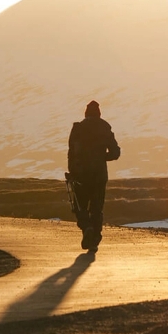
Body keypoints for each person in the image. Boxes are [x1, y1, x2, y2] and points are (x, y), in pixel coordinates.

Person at [67, 100, 121, 251]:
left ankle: (87, 228)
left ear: (85, 114)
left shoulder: (77, 128)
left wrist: (72, 171)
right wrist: (102, 158)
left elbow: (71, 153)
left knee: (80, 206)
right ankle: (95, 237)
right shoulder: (105, 128)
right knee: (97, 207)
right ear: (99, 113)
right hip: (99, 175)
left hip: (80, 175)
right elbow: (115, 153)